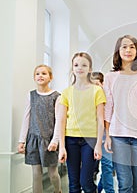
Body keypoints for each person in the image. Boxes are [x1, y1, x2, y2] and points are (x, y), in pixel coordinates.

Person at [103, 35, 137, 193]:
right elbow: (109, 107)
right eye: (124, 47)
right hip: (118, 135)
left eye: (132, 47)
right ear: (118, 51)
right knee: (124, 183)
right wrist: (107, 135)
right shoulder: (110, 77)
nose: (128, 50)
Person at [57, 52, 106, 193]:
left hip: (90, 141)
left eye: (84, 65)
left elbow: (100, 120)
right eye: (76, 65)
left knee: (86, 182)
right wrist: (61, 146)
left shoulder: (97, 91)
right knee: (74, 184)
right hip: (70, 140)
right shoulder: (66, 92)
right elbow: (61, 120)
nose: (80, 68)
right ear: (72, 68)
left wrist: (98, 145)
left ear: (90, 68)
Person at [17, 64, 62, 193]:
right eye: (37, 74)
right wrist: (21, 141)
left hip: (49, 140)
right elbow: (26, 118)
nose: (40, 76)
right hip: (33, 140)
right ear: (34, 77)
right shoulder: (31, 95)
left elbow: (59, 120)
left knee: (53, 174)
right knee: (36, 174)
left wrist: (55, 141)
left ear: (50, 77)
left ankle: (58, 190)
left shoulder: (56, 96)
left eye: (44, 73)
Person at [91, 71, 115, 193]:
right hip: (91, 135)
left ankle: (109, 190)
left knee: (108, 166)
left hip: (106, 135)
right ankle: (99, 188)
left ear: (102, 84)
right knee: (102, 167)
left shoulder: (108, 98)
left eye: (97, 84)